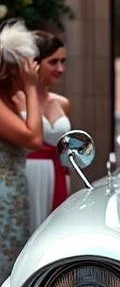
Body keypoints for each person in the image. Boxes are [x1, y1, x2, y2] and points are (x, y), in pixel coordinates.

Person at [0, 20, 44, 287]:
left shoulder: (10, 100)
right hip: (3, 198)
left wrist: (29, 89)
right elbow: (33, 137)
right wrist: (30, 87)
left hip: (13, 194)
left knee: (10, 270)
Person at [22, 31, 71, 230]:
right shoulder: (15, 101)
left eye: (63, 62)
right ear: (34, 63)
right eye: (53, 62)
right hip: (26, 176)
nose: (61, 68)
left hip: (59, 175)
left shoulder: (63, 103)